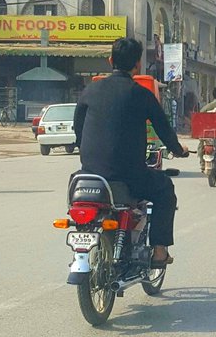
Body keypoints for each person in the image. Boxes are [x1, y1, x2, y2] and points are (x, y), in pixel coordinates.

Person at [73, 37, 189, 267]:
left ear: (110, 60)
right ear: (137, 65)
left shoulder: (90, 90)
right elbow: (163, 129)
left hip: (89, 174)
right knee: (165, 188)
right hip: (128, 175)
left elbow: (79, 127)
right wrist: (179, 150)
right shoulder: (141, 94)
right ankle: (159, 251)